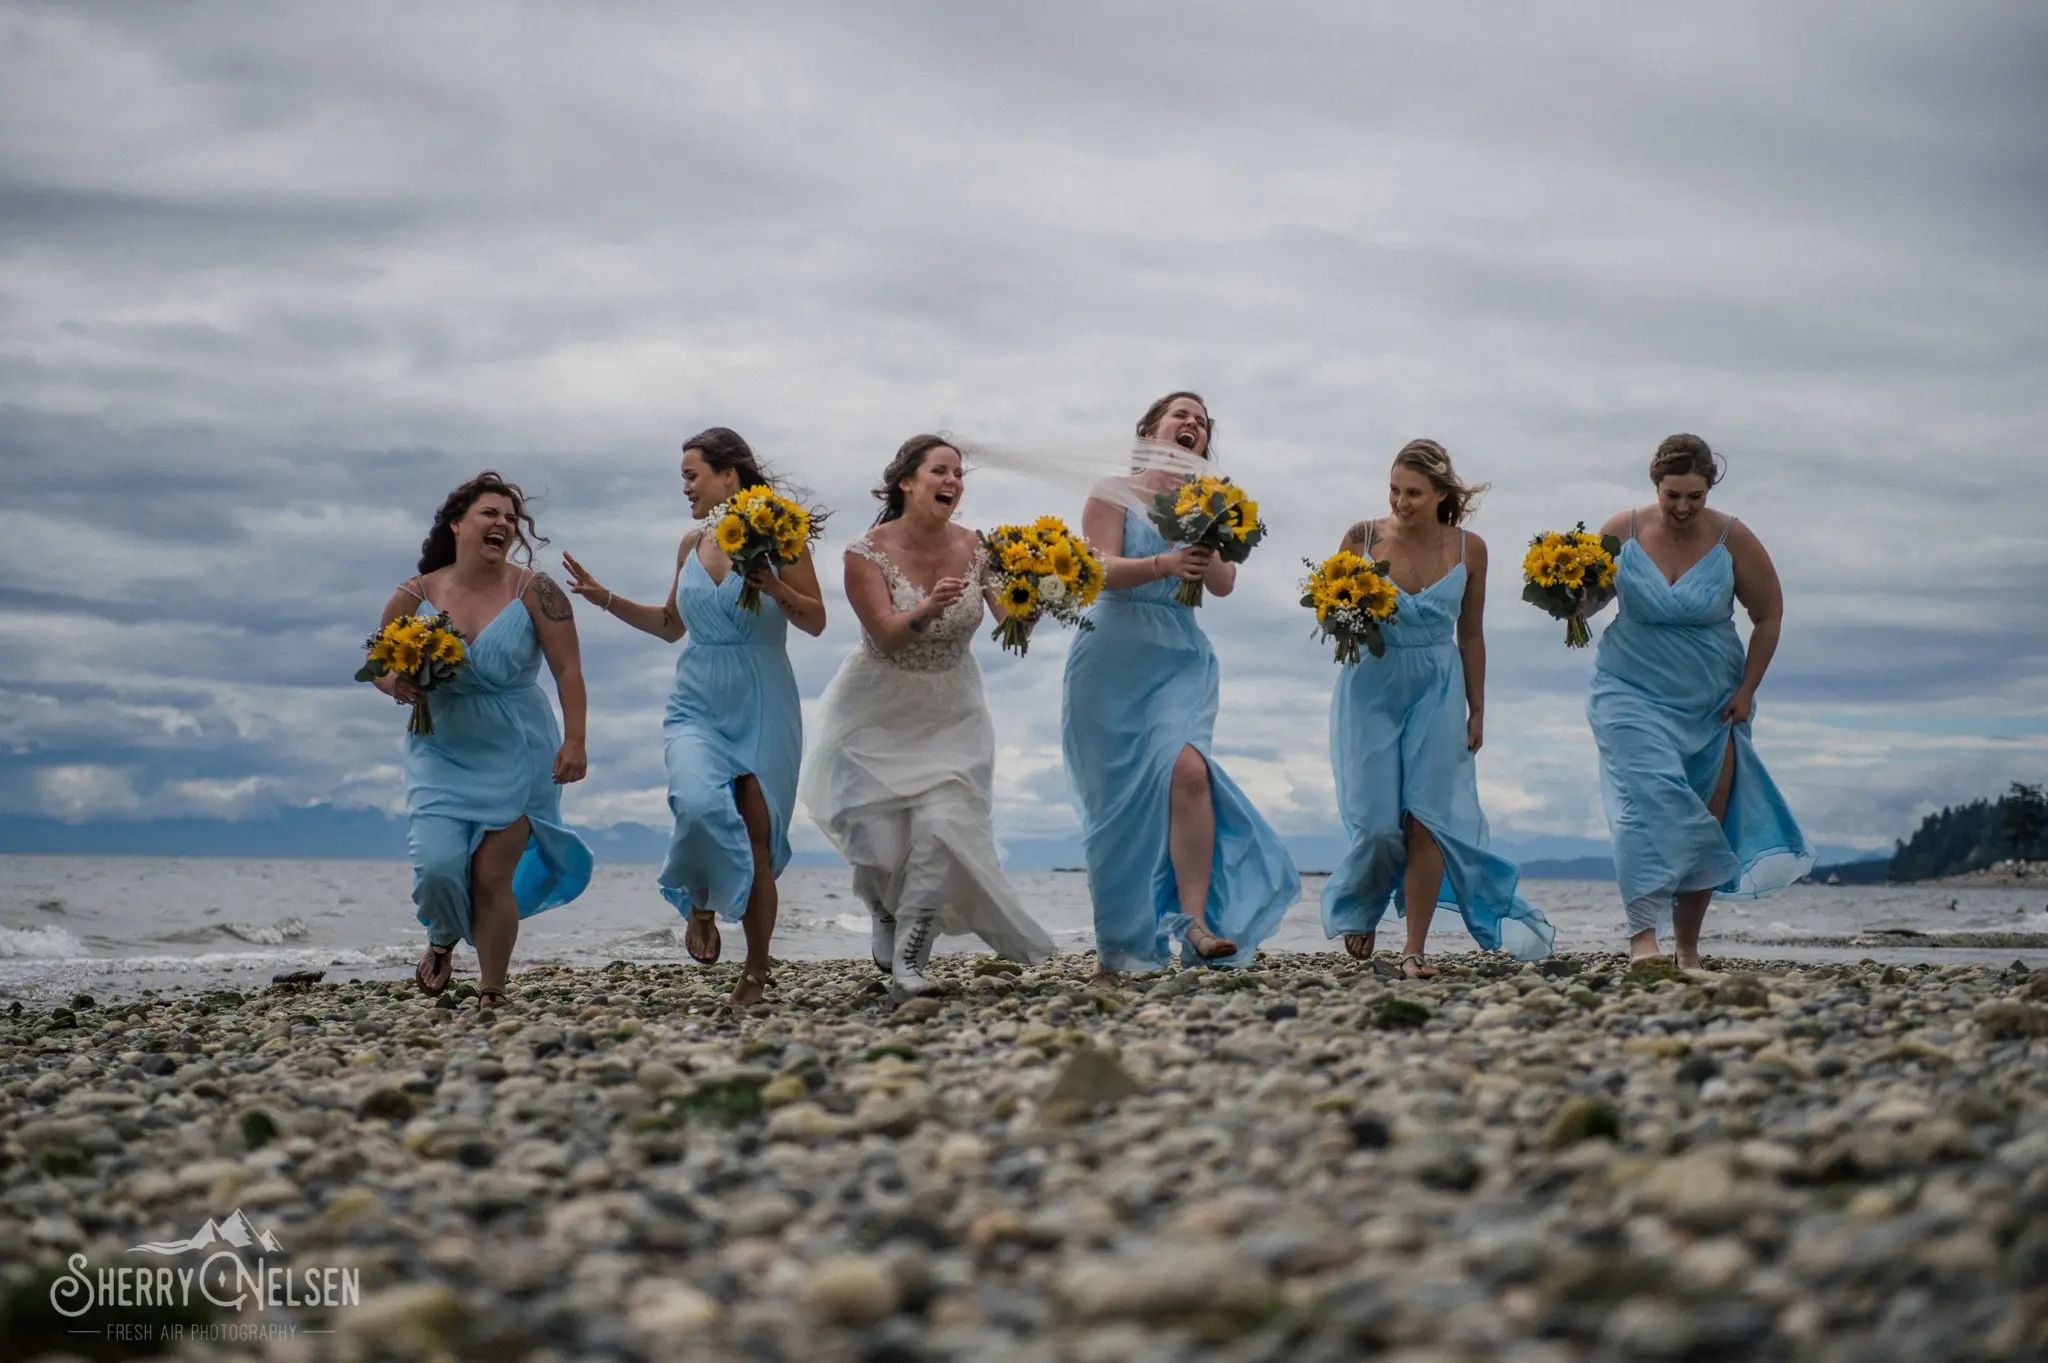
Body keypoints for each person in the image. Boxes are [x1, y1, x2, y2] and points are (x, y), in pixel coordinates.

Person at [563, 428, 824, 1006]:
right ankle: (701, 899)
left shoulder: (785, 538)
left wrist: (775, 584)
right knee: (698, 803)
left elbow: (816, 622)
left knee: (757, 832)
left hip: (763, 697)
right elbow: (669, 625)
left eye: (691, 475)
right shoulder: (690, 544)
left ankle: (755, 972)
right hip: (697, 699)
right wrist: (603, 596)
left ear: (729, 476)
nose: (685, 487)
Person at [800, 436, 1054, 1000]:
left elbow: (1009, 617)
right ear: (906, 482)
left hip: (953, 708)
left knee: (943, 829)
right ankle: (881, 913)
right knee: (878, 844)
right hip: (877, 707)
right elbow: (887, 636)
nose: (954, 481)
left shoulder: (977, 545)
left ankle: (913, 959)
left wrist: (1032, 606)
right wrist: (926, 609)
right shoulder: (863, 552)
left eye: (960, 474)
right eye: (941, 470)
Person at [1061, 392, 1299, 988]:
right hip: (1110, 658)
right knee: (1116, 812)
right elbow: (1095, 570)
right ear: (1151, 429)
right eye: (1180, 415)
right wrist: (1163, 565)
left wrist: (1208, 542)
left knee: (1189, 772)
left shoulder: (1212, 503)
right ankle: (1119, 951)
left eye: (1201, 421)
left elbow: (1222, 584)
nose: (1191, 424)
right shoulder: (1111, 491)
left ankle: (1194, 924)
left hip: (1180, 657)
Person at [1321, 440, 1555, 975]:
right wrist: (1341, 616)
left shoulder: (1471, 549)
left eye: (1413, 493)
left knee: (1424, 819)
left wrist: (1478, 709)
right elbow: (1332, 612)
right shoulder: (1362, 538)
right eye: (1394, 490)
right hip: (1372, 688)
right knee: (1378, 824)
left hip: (1439, 687)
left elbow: (1471, 635)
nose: (1401, 502)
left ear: (1441, 494)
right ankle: (1362, 906)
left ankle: (1413, 948)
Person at [1587, 433, 1812, 967]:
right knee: (1646, 802)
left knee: (1705, 816)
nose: (1684, 507)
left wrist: (1747, 690)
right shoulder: (1621, 531)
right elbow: (1589, 602)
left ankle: (1687, 950)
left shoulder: (1733, 538)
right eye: (1673, 496)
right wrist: (1563, 593)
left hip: (1712, 699)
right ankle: (1643, 937)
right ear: (1655, 486)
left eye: (1695, 496)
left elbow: (1769, 615)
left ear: (1710, 489)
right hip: (1627, 690)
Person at [372, 472, 592, 1009]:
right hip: (440, 745)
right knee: (439, 867)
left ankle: (492, 989)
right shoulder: (414, 593)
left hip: (520, 745)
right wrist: (396, 682)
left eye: (510, 518)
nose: (503, 524)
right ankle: (443, 935)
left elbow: (568, 671)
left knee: (493, 876)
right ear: (457, 524)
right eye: (490, 514)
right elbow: (377, 660)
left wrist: (576, 742)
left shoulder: (536, 591)